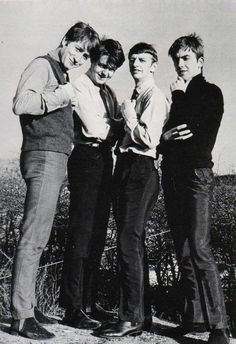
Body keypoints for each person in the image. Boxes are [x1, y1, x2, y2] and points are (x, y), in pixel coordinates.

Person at [10, 21, 99, 340]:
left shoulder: (60, 72)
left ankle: (28, 307)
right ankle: (21, 316)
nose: (79, 57)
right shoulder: (42, 65)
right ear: (64, 40)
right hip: (43, 155)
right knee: (33, 237)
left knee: (40, 236)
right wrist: (61, 96)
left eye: (85, 54)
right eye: (77, 49)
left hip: (55, 157)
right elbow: (21, 104)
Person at [159, 34, 229, 344]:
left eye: (186, 58)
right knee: (183, 249)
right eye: (176, 59)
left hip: (197, 175)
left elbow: (197, 139)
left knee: (200, 247)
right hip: (172, 176)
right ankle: (195, 318)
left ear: (199, 62)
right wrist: (168, 136)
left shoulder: (208, 93)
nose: (180, 64)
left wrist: (178, 102)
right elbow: (165, 138)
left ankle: (219, 327)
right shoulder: (178, 96)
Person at [98, 42, 169, 338]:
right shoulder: (136, 94)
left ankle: (129, 319)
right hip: (127, 166)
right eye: (132, 59)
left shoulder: (154, 96)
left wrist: (127, 116)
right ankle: (141, 316)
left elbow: (148, 138)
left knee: (128, 241)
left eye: (142, 60)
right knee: (132, 242)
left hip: (140, 168)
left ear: (153, 65)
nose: (135, 64)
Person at [59, 39, 125, 330]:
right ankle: (72, 307)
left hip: (104, 160)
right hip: (85, 158)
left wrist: (116, 125)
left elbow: (115, 128)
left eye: (112, 69)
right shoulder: (78, 86)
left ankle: (88, 302)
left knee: (98, 234)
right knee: (81, 232)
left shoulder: (108, 92)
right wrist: (118, 124)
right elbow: (96, 128)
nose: (106, 72)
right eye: (103, 65)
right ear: (92, 60)